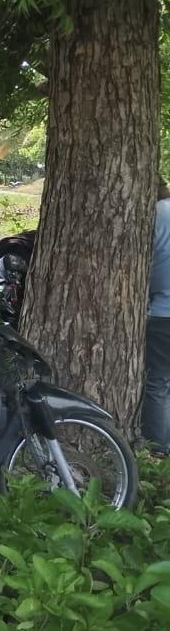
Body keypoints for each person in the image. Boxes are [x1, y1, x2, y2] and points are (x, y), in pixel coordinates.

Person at [144, 178, 170, 455]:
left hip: (164, 312)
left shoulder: (153, 216)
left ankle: (158, 449)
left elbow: (151, 270)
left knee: (158, 383)